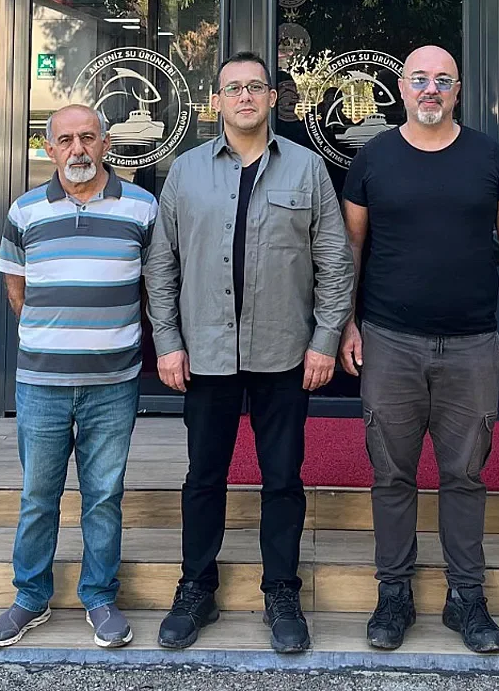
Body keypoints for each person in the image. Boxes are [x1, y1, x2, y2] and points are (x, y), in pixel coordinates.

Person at [144, 51, 354, 654]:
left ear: (273, 98)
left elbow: (334, 260)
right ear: (216, 101)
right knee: (203, 477)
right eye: (233, 88)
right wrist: (168, 342)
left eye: (255, 87)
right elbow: (162, 265)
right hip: (204, 352)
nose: (244, 97)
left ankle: (281, 590)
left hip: (284, 352)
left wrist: (324, 340)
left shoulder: (308, 169)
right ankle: (196, 587)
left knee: (282, 478)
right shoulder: (185, 172)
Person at [338, 45, 499, 654]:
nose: (431, 89)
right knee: (391, 474)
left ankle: (466, 597)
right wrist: (345, 324)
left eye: (443, 80)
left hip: (474, 343)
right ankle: (394, 593)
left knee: (465, 475)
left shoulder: (487, 155)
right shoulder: (372, 157)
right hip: (388, 341)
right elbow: (350, 247)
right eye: (420, 79)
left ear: (457, 91)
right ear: (402, 88)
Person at [0, 104, 158, 649]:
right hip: (41, 383)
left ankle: (100, 597)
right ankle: (30, 597)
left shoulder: (142, 206)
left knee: (104, 495)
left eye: (87, 137)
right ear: (48, 148)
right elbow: (17, 290)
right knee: (39, 495)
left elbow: (152, 287)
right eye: (65, 140)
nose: (77, 149)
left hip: (114, 382)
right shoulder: (25, 210)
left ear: (106, 144)